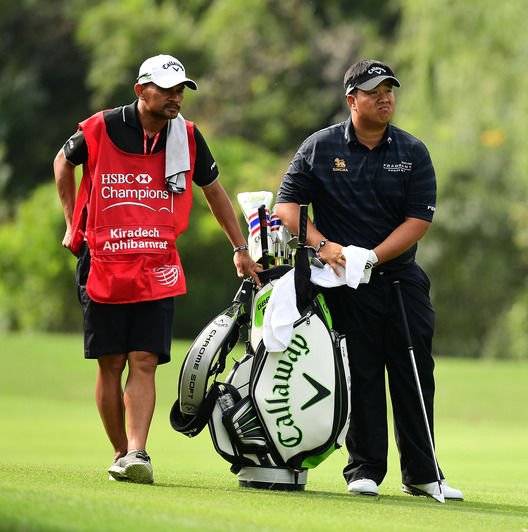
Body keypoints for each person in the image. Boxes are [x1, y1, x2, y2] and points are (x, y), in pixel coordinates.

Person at [54, 54, 262, 484]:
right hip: (104, 261)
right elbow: (62, 164)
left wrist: (240, 246)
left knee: (144, 360)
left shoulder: (186, 135)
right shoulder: (100, 127)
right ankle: (119, 452)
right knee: (110, 363)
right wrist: (73, 223)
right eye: (166, 89)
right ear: (140, 90)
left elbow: (214, 191)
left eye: (180, 89)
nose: (176, 97)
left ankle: (137, 452)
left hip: (158, 264)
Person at [274, 59, 462, 501]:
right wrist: (326, 247)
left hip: (399, 279)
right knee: (359, 374)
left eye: (390, 89)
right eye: (374, 90)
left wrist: (373, 257)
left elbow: (418, 221)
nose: (385, 97)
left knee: (414, 373)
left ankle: (423, 473)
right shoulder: (320, 147)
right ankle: (364, 470)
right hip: (342, 282)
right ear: (351, 99)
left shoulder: (412, 151)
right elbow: (287, 207)